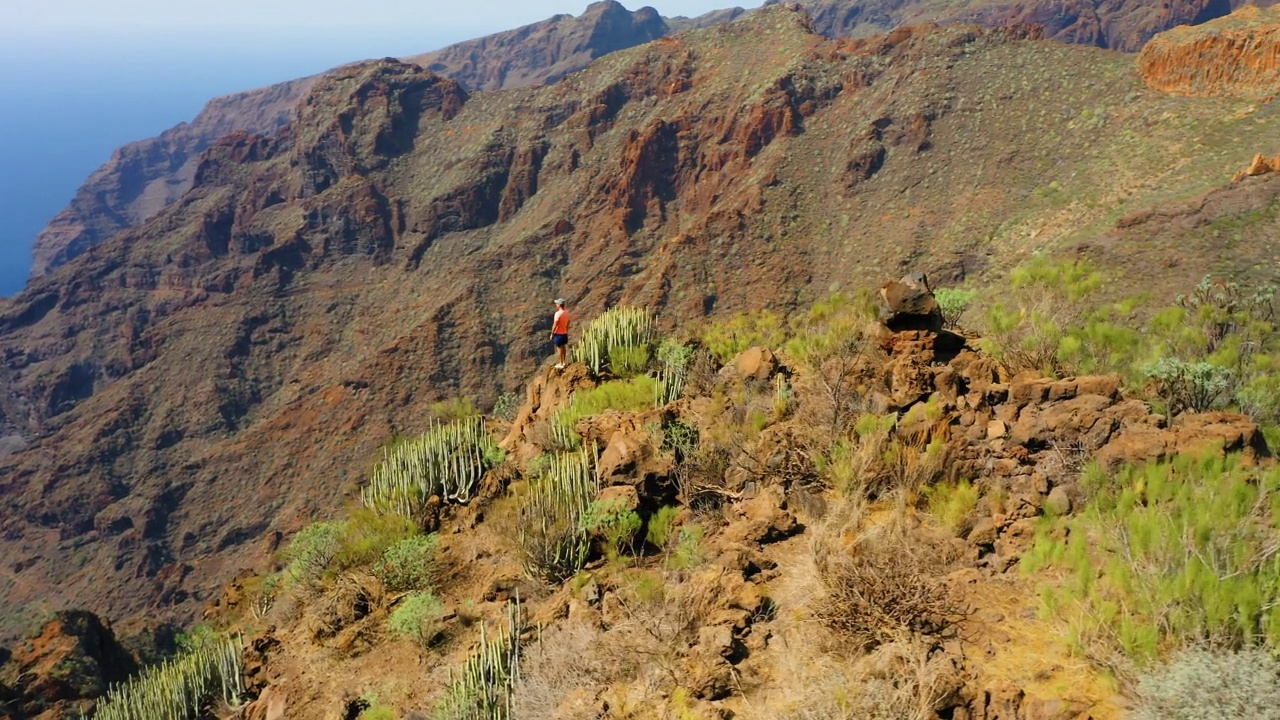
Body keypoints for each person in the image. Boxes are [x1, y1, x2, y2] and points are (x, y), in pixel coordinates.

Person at [551, 298, 570, 369]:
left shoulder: (557, 314)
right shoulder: (567, 312)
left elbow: (555, 324)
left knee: (559, 349)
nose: (556, 305)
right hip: (564, 333)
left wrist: (552, 333)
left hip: (558, 334)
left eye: (556, 304)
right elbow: (568, 322)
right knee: (563, 347)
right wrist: (566, 329)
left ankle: (561, 363)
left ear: (559, 305)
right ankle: (563, 362)